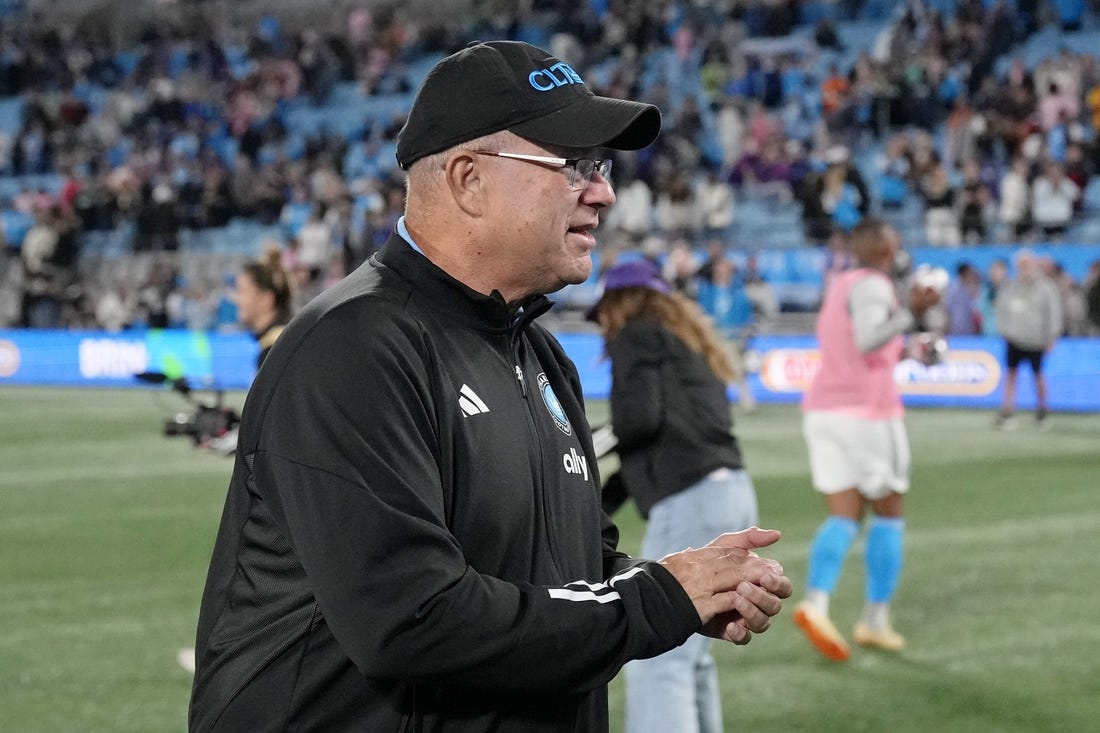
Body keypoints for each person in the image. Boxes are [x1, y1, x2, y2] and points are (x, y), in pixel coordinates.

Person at [188, 40, 792, 733]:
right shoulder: (354, 349)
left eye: (602, 167)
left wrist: (686, 585)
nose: (605, 191)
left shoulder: (539, 355)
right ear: (470, 181)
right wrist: (657, 598)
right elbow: (413, 616)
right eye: (575, 165)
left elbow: (576, 572)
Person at [589, 260, 760, 733]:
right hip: (730, 493)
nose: (602, 324)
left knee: (658, 655)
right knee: (691, 656)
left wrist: (578, 446)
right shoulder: (684, 340)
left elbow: (637, 423)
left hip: (693, 501)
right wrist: (591, 504)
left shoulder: (636, 334)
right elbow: (651, 439)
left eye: (603, 311)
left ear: (619, 304)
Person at [794, 217, 940, 662]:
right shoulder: (876, 284)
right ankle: (875, 618)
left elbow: (870, 345)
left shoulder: (842, 284)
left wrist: (915, 349)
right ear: (882, 247)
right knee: (890, 512)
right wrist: (912, 312)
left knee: (843, 515)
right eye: (894, 239)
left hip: (825, 410)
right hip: (867, 413)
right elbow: (867, 340)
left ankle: (816, 604)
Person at [993, 249, 1063, 430]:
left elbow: (1054, 313)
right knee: (1010, 375)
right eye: (1020, 265)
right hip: (1014, 339)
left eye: (1026, 264)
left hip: (1036, 340)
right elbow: (1001, 309)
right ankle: (1007, 412)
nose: (1023, 268)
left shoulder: (1046, 287)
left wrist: (1052, 336)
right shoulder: (1011, 287)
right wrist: (1005, 330)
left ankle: (1042, 411)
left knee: (1038, 375)